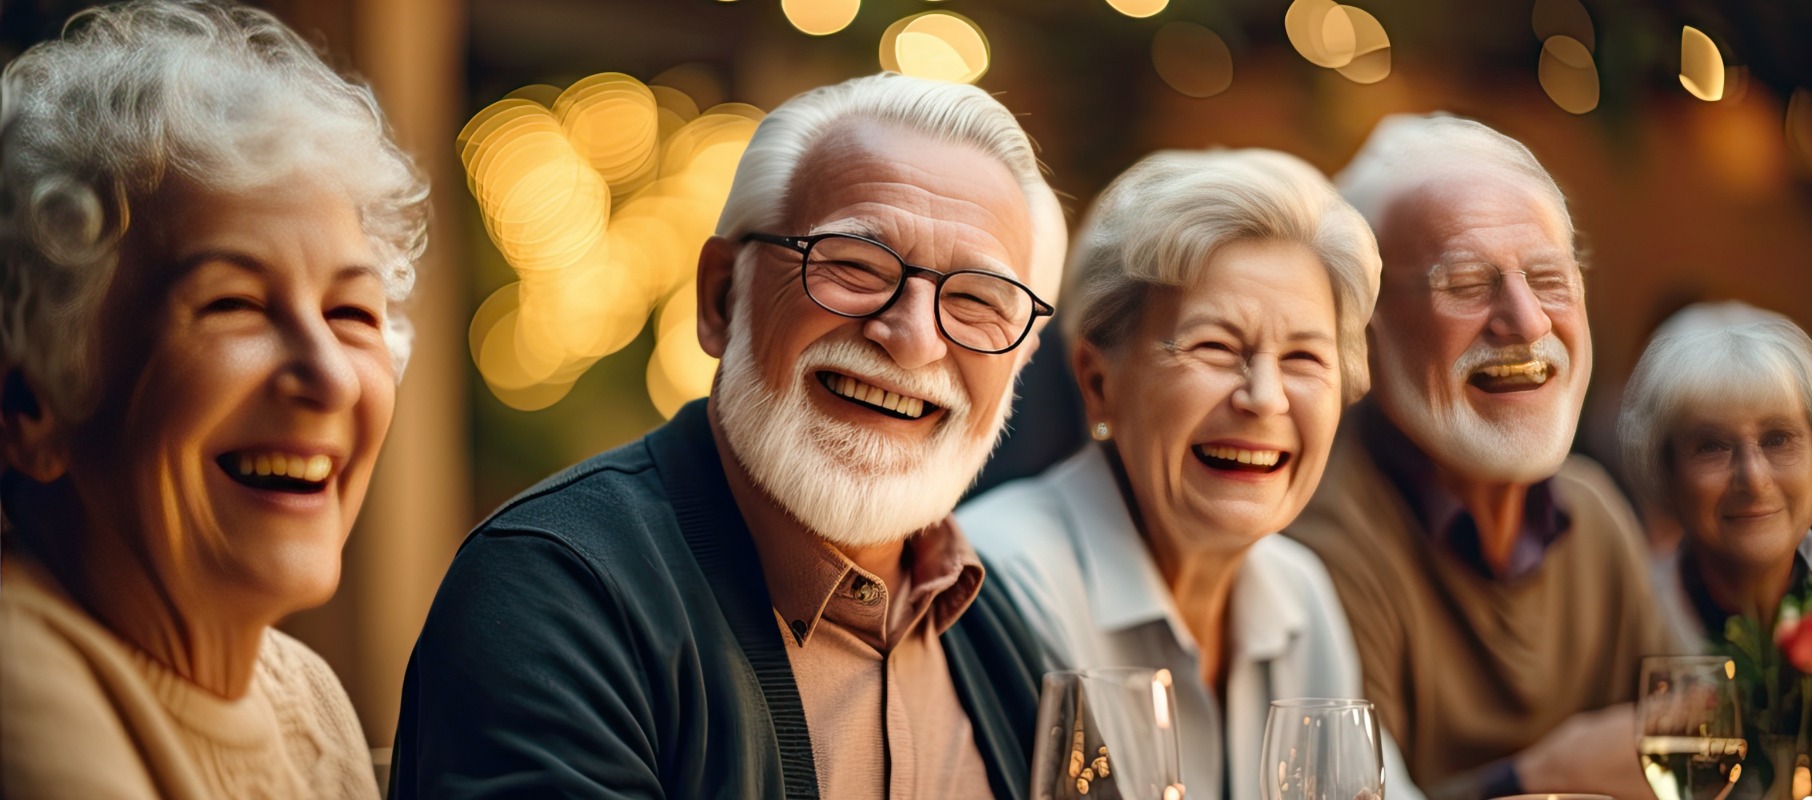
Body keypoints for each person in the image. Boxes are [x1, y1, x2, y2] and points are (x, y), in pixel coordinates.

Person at [388, 73, 1065, 799]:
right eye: (854, 265)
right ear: (720, 297)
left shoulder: (1005, 630)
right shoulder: (551, 592)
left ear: (1020, 360)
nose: (912, 340)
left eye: (975, 300)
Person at [0, 1, 429, 797]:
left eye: (352, 313)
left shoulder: (304, 693)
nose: (330, 376)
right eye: (232, 303)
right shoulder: (19, 685)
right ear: (28, 403)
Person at [959, 149, 1420, 800]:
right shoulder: (1001, 580)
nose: (1266, 397)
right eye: (1214, 347)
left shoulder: (1302, 594)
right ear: (1098, 383)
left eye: (1304, 357)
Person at [1286, 113, 1672, 800]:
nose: (1526, 322)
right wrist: (1543, 779)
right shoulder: (1321, 542)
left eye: (1550, 278)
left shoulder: (1597, 514)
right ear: (1364, 330)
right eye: (1465, 285)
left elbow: (1681, 743)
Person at [1620, 303, 1812, 651]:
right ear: (1666, 471)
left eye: (1778, 439)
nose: (1752, 478)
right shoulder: (1625, 623)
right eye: (1712, 447)